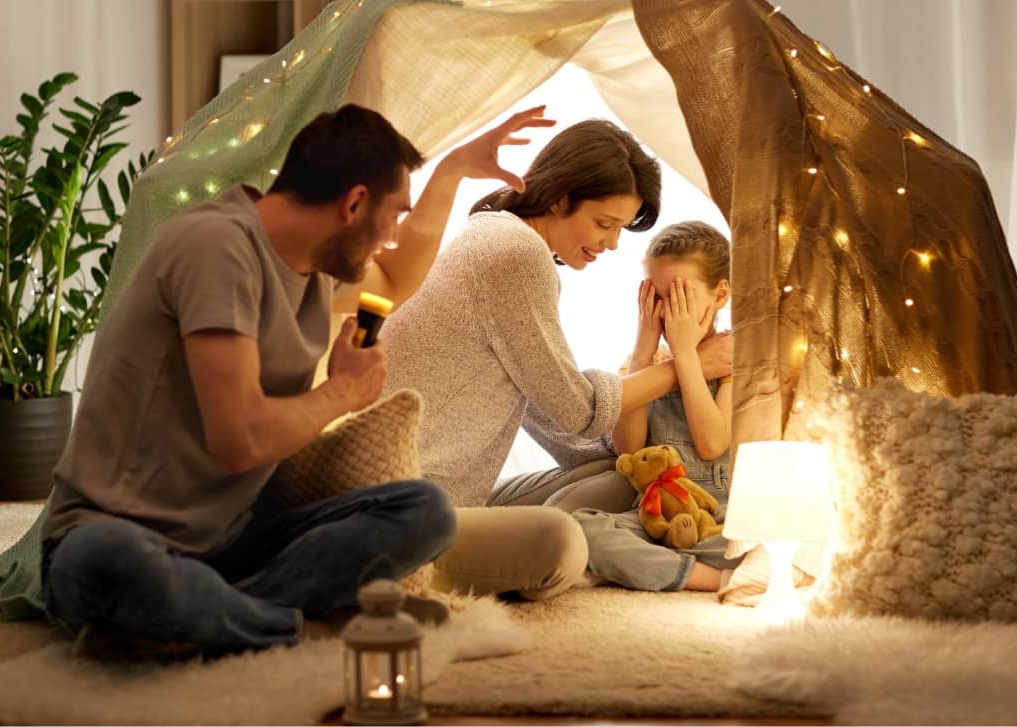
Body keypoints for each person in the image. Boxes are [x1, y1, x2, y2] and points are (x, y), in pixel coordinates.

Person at [41, 103, 552, 658]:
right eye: (395, 214)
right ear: (354, 203)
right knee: (114, 563)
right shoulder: (216, 246)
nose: (394, 233)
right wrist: (341, 394)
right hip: (110, 534)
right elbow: (240, 443)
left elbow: (399, 276)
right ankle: (286, 625)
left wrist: (451, 171)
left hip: (230, 540)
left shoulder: (310, 267)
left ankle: (207, 619)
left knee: (423, 511)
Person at [380, 120, 732, 600]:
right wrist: (687, 365)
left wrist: (626, 460)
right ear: (559, 197)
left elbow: (547, 407)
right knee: (564, 544)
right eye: (605, 224)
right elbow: (578, 409)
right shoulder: (514, 255)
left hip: (436, 495)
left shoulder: (495, 236)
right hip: (404, 506)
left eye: (620, 230)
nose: (610, 244)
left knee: (615, 472)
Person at [572, 221, 741, 593]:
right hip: (656, 519)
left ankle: (705, 574)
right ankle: (697, 576)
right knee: (580, 529)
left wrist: (685, 355)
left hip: (716, 524)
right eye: (657, 296)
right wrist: (645, 347)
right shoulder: (650, 367)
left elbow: (712, 445)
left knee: (755, 543)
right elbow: (629, 450)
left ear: (720, 294)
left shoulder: (733, 359)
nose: (668, 312)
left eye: (681, 294)